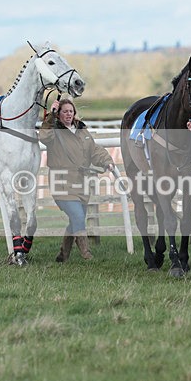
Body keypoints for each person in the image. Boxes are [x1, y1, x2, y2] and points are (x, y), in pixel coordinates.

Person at [39, 99, 114, 262]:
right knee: (78, 217)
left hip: (81, 183)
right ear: (59, 114)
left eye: (70, 111)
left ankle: (63, 255)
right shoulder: (54, 131)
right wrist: (50, 116)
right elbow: (43, 137)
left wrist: (106, 161)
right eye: (64, 111)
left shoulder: (82, 130)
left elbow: (94, 151)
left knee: (76, 219)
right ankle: (86, 254)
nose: (68, 114)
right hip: (62, 183)